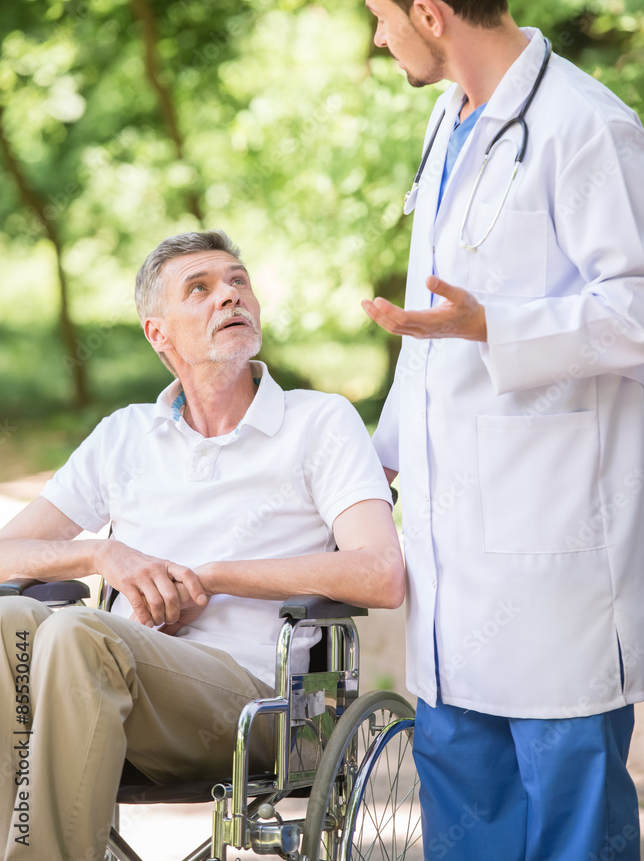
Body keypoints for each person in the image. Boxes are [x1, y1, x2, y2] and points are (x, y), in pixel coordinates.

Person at [347, 0, 644, 861]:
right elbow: (427, 334)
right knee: (467, 823)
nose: (377, 37)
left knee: (567, 829)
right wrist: (380, 466)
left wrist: (502, 328)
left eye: (380, 15)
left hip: (556, 565)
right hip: (457, 573)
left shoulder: (582, 125)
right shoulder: (452, 121)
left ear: (431, 15)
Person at [0, 229, 405, 861]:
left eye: (238, 281)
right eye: (201, 289)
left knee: (77, 634)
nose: (229, 296)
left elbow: (380, 571)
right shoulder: (124, 435)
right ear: (157, 334)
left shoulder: (318, 420)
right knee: (10, 620)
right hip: (100, 686)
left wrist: (214, 576)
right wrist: (100, 555)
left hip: (257, 704)